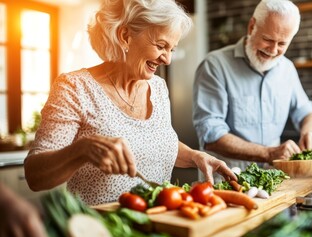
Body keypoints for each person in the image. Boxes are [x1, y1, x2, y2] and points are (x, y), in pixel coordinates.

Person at [24, 0, 236, 206]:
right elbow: (35, 176)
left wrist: (195, 157)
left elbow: (154, 143)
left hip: (159, 226)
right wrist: (82, 150)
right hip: (103, 229)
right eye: (161, 46)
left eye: (171, 49)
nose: (167, 59)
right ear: (125, 36)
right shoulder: (75, 87)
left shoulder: (158, 88)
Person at [192, 0, 312, 174]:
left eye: (282, 44)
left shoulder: (287, 68)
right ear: (252, 27)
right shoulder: (214, 65)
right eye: (268, 39)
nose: (273, 50)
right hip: (227, 181)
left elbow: (307, 111)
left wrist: (309, 132)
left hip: (272, 176)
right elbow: (211, 135)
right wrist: (268, 153)